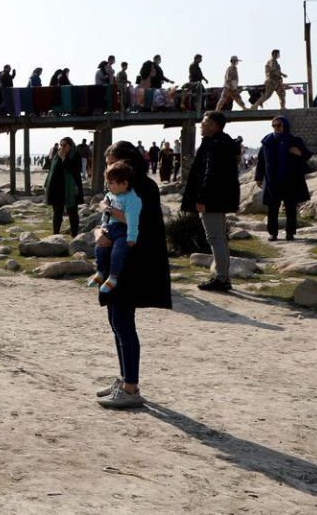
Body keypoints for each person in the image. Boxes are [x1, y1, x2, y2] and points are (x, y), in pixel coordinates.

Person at [94, 141, 171, 409]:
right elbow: (107, 221)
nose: (108, 168)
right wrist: (100, 233)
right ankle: (126, 378)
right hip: (116, 262)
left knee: (124, 323)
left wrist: (108, 211)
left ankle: (131, 388)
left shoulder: (145, 188)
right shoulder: (120, 187)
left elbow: (139, 222)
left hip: (133, 264)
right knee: (115, 321)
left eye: (111, 162)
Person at [181, 111, 241, 292]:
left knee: (215, 238)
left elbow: (210, 174)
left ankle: (222, 279)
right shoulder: (223, 142)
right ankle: (223, 277)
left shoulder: (215, 145)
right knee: (220, 237)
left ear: (214, 125)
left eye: (204, 122)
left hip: (213, 198)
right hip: (220, 196)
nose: (201, 124)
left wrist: (202, 198)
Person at [255, 116, 313, 241]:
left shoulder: (294, 140)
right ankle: (273, 233)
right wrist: (258, 177)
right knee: (272, 208)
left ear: (285, 125)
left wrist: (298, 152)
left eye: (279, 125)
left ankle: (290, 233)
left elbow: (307, 155)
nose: (276, 128)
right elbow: (261, 161)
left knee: (291, 208)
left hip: (291, 180)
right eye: (274, 126)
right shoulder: (267, 142)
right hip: (272, 181)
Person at [89, 162, 142, 294]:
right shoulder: (111, 195)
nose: (108, 186)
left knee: (117, 253)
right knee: (99, 249)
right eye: (108, 183)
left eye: (112, 183)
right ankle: (100, 272)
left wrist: (131, 237)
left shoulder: (132, 199)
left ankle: (113, 278)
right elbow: (105, 207)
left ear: (124, 183)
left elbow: (132, 220)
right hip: (109, 227)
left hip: (122, 231)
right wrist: (103, 226)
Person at [44, 137, 84, 237]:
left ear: (70, 145)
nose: (62, 147)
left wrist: (64, 159)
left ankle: (74, 234)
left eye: (65, 145)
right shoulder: (57, 155)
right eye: (61, 145)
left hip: (70, 188)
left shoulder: (75, 155)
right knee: (57, 212)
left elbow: (75, 170)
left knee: (72, 212)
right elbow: (52, 171)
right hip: (57, 188)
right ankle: (55, 234)